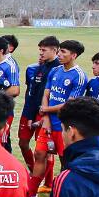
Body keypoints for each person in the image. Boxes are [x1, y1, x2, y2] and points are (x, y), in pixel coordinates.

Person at [30, 39, 87, 197]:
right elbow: (46, 93)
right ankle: (31, 192)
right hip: (48, 123)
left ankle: (62, 192)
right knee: (40, 155)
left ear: (74, 55)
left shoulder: (80, 76)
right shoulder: (55, 71)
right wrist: (46, 117)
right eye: (60, 51)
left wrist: (45, 110)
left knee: (65, 160)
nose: (60, 54)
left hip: (65, 126)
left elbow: (69, 104)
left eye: (64, 52)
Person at [19, 37, 60, 169]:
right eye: (40, 50)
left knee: (44, 150)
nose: (41, 53)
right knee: (23, 142)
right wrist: (30, 116)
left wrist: (45, 113)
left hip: (45, 114)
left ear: (54, 50)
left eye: (44, 50)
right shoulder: (39, 68)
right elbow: (32, 92)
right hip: (31, 111)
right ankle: (32, 169)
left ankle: (47, 182)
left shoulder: (58, 69)